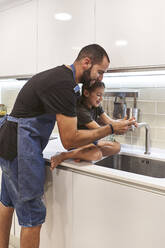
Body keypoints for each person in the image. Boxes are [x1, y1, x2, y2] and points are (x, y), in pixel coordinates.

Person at [0, 44, 136, 248]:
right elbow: (69, 139)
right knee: (32, 217)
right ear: (86, 62)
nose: (100, 78)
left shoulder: (65, 81)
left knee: (7, 203)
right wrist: (110, 129)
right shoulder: (63, 85)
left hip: (10, 141)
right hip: (20, 146)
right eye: (100, 72)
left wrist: (110, 126)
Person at [50, 81, 122, 168]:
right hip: (79, 144)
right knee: (97, 155)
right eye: (98, 95)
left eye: (102, 95)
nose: (101, 99)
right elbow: (98, 129)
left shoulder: (96, 106)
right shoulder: (80, 110)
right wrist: (116, 128)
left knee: (117, 147)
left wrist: (124, 123)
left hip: (91, 142)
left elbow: (109, 121)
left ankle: (81, 154)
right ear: (86, 93)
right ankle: (64, 155)